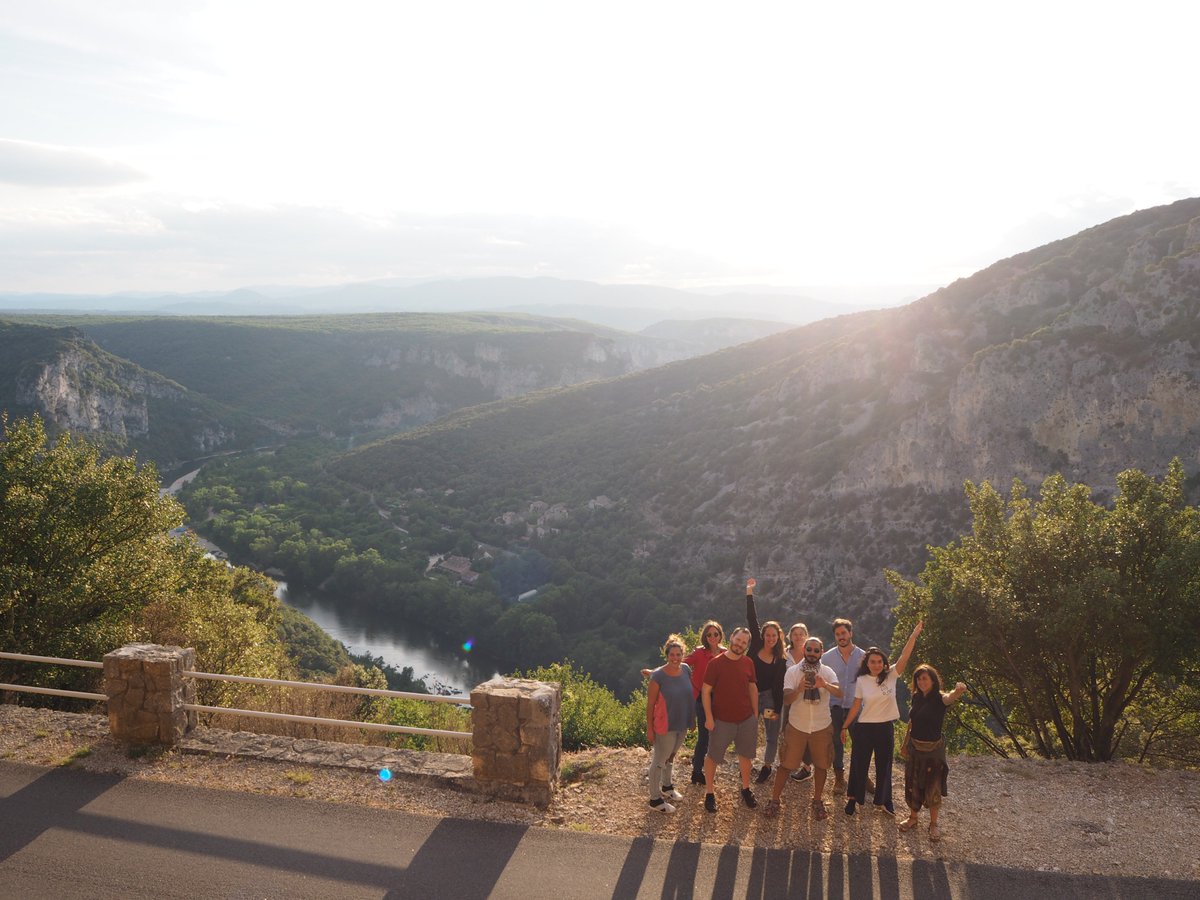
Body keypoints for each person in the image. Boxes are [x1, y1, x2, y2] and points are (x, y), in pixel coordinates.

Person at [841, 621, 923, 815]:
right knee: (859, 763)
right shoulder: (861, 680)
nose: (876, 665)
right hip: (864, 728)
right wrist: (844, 727)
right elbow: (855, 706)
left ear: (884, 663)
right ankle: (853, 798)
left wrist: (913, 636)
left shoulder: (891, 675)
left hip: (885, 727)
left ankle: (885, 801)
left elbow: (905, 656)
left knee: (884, 765)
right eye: (872, 662)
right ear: (867, 664)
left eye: (879, 662)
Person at [761, 636, 842, 821]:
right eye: (809, 649)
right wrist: (798, 689)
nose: (812, 653)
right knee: (786, 765)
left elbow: (839, 692)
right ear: (804, 649)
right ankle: (774, 800)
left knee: (822, 765)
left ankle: (817, 800)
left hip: (821, 726)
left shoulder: (827, 672)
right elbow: (786, 699)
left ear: (821, 652)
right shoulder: (793, 671)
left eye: (816, 650)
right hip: (797, 726)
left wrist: (825, 685)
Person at [899, 664, 967, 841]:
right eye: (918, 679)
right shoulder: (916, 697)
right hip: (915, 747)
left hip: (933, 750)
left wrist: (958, 691)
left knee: (933, 786)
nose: (921, 682)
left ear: (933, 680)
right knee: (913, 783)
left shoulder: (939, 698)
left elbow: (950, 698)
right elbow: (911, 723)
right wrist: (905, 744)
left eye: (925, 678)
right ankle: (913, 818)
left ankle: (934, 824)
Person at [701, 625, 759, 812]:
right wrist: (709, 718)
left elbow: (752, 688)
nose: (740, 644)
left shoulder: (748, 663)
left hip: (745, 719)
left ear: (747, 645)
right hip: (722, 720)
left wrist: (755, 714)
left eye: (744, 642)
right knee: (713, 757)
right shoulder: (715, 663)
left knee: (746, 756)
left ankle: (746, 789)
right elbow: (705, 691)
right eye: (738, 639)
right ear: (731, 638)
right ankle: (709, 793)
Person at [645, 634, 697, 813]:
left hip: (681, 722)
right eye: (672, 655)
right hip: (664, 725)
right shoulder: (658, 677)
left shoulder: (686, 669)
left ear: (683, 655)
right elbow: (650, 705)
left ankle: (667, 787)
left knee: (671, 756)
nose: (675, 658)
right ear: (667, 655)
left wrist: (692, 719)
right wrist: (649, 729)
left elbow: (688, 696)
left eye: (678, 654)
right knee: (659, 760)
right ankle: (654, 799)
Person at [746, 579, 787, 784]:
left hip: (769, 700)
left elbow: (778, 687)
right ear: (762, 635)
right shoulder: (755, 647)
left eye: (774, 635)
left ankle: (767, 766)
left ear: (779, 637)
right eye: (767, 635)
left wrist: (778, 708)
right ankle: (747, 765)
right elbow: (752, 619)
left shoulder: (781, 659)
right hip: (750, 697)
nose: (771, 638)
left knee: (772, 735)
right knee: (748, 731)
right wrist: (749, 593)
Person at [822, 618, 866, 795]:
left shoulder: (863, 656)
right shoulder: (827, 657)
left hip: (856, 707)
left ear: (851, 633)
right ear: (835, 636)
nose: (841, 637)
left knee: (860, 744)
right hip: (834, 706)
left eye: (844, 633)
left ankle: (862, 777)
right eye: (838, 634)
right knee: (836, 744)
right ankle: (839, 778)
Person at [683, 621, 726, 784]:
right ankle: (696, 772)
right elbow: (680, 663)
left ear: (720, 635)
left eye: (716, 634)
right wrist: (657, 672)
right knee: (704, 736)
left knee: (714, 735)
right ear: (704, 637)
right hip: (701, 698)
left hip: (719, 699)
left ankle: (703, 764)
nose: (713, 637)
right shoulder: (699, 653)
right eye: (709, 634)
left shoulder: (725, 653)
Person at [783, 623, 814, 783]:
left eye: (801, 634)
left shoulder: (811, 653)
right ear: (790, 636)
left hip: (808, 699)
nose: (798, 636)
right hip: (789, 698)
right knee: (788, 730)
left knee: (806, 732)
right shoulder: (784, 654)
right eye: (795, 634)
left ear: (806, 636)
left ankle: (807, 767)